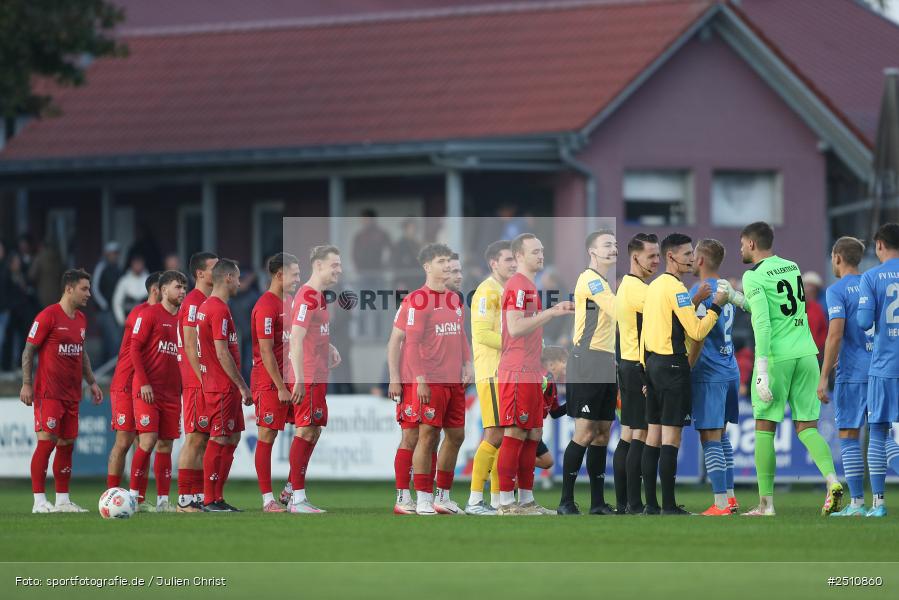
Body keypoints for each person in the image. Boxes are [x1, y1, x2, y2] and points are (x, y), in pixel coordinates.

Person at [738, 221, 843, 516]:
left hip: (777, 358)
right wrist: (736, 299)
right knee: (807, 428)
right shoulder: (791, 267)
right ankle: (832, 481)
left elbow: (763, 322)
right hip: (807, 354)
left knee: (764, 428)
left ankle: (766, 505)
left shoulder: (753, 275)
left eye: (742, 244)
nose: (740, 249)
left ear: (751, 244)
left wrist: (760, 369)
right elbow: (778, 309)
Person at [641, 233, 725, 516]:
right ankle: (668, 505)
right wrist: (715, 306)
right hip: (673, 366)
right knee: (671, 439)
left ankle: (650, 505)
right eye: (687, 254)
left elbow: (644, 333)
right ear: (671, 256)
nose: (692, 258)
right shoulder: (676, 288)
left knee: (652, 436)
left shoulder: (654, 286)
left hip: (652, 365)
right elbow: (697, 331)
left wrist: (644, 371)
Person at [496, 233, 574, 516]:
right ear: (519, 256)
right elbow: (515, 327)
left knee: (533, 433)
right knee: (515, 432)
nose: (541, 255)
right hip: (516, 370)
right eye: (534, 251)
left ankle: (526, 501)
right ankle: (506, 502)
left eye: (542, 251)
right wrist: (551, 312)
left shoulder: (529, 286)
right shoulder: (517, 285)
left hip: (531, 370)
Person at [21, 269, 103, 513]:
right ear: (69, 289)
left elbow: (81, 352)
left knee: (67, 445)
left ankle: (63, 500)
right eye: (84, 289)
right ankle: (39, 502)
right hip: (49, 392)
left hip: (72, 393)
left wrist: (92, 382)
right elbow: (28, 350)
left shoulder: (81, 319)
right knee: (46, 443)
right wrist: (26, 383)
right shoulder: (48, 316)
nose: (89, 294)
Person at [404, 243, 473, 515]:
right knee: (428, 436)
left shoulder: (455, 299)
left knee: (456, 436)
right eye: (441, 261)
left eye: (448, 261)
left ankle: (442, 496)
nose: (447, 266)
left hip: (454, 380)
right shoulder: (418, 300)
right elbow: (411, 344)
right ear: (427, 267)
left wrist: (468, 362)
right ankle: (422, 497)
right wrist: (420, 379)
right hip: (431, 380)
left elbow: (460, 333)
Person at [558, 230, 618, 515]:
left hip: (605, 360)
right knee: (584, 432)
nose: (613, 248)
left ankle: (597, 503)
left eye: (614, 244)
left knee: (603, 432)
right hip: (587, 360)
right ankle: (565, 501)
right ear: (592, 252)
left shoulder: (604, 282)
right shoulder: (590, 279)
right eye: (607, 245)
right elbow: (617, 309)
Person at [817, 237, 872, 517]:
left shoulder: (836, 290)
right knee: (883, 437)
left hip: (853, 373)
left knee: (849, 435)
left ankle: (857, 504)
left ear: (837, 257)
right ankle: (877, 503)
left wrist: (823, 376)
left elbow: (835, 334)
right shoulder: (872, 283)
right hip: (881, 369)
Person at [687, 239, 741, 516]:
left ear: (700, 260)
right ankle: (730, 498)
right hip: (730, 368)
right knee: (721, 436)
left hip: (709, 371)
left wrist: (687, 367)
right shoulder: (726, 288)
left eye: (693, 255)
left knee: (710, 437)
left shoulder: (700, 290)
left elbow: (697, 334)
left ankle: (720, 503)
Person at [287, 245, 343, 513]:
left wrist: (328, 346)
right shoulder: (307, 296)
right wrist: (299, 378)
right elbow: (295, 338)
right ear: (318, 265)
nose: (339, 270)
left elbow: (310, 331)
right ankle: (297, 498)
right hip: (307, 374)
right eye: (334, 265)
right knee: (305, 430)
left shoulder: (318, 297)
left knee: (314, 429)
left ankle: (291, 489)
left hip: (318, 373)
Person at [128, 270, 187, 513]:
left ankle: (163, 501)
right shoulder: (149, 314)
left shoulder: (183, 320)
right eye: (177, 287)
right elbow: (134, 349)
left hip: (172, 393)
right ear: (163, 290)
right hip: (148, 390)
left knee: (166, 445)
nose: (182, 291)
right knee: (148, 440)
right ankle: (133, 497)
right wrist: (144, 383)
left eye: (184, 287)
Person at [465, 240, 516, 515]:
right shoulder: (486, 291)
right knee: (495, 433)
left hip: (506, 371)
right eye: (508, 259)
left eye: (515, 259)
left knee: (505, 436)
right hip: (492, 372)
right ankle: (474, 500)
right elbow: (483, 333)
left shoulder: (508, 290)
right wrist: (517, 343)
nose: (514, 264)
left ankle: (497, 500)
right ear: (493, 263)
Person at [198, 259, 250, 512]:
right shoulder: (217, 309)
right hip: (221, 385)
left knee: (233, 436)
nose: (240, 283)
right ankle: (209, 499)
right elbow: (221, 352)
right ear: (228, 277)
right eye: (238, 278)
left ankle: (217, 496)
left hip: (222, 384)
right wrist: (242, 386)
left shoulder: (210, 307)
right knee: (219, 437)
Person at [251, 253, 301, 513]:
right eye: (294, 274)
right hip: (270, 382)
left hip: (293, 380)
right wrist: (281, 386)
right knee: (267, 435)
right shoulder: (265, 305)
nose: (298, 279)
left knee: (309, 429)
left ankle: (291, 489)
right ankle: (267, 499)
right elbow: (266, 350)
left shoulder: (290, 302)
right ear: (280, 275)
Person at [106, 271, 161, 505]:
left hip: (143, 384)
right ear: (157, 290)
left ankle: (138, 498)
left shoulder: (163, 315)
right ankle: (111, 496)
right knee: (124, 440)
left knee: (144, 442)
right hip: (126, 382)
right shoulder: (140, 313)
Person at [857, 223, 899, 518]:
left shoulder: (871, 277)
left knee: (878, 430)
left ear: (880, 245)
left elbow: (863, 322)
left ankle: (879, 504)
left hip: (884, 366)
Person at [616, 233, 660, 515]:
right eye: (651, 256)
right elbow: (666, 316)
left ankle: (625, 503)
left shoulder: (628, 285)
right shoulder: (638, 289)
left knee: (629, 434)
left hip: (627, 362)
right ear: (635, 257)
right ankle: (634, 503)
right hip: (637, 366)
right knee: (641, 434)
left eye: (658, 255)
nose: (656, 261)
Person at [175, 252, 218, 512]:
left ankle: (198, 496)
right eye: (214, 267)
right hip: (196, 382)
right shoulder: (193, 302)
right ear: (200, 273)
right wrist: (201, 378)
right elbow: (190, 344)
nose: (220, 271)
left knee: (203, 440)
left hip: (205, 381)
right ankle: (184, 499)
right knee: (194, 439)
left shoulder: (208, 301)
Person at [92, 241, 123, 364]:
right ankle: (109, 366)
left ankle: (105, 366)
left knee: (109, 340)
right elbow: (94, 288)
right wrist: (103, 304)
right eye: (112, 253)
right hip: (104, 310)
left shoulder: (118, 269)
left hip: (115, 309)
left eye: (116, 253)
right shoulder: (101, 267)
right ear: (107, 254)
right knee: (112, 339)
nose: (114, 256)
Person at [112, 254, 149, 327]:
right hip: (129, 321)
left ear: (143, 264)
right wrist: (122, 321)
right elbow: (117, 302)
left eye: (139, 263)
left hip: (147, 322)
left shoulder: (150, 280)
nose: (138, 266)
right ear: (132, 264)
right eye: (136, 263)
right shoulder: (124, 281)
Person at [29, 235, 65, 309]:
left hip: (43, 295)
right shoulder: (58, 258)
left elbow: (32, 275)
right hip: (57, 293)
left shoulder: (39, 258)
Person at [803, 271, 828, 355]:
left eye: (811, 286)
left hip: (818, 350)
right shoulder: (798, 306)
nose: (808, 289)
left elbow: (824, 329)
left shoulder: (822, 306)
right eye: (806, 285)